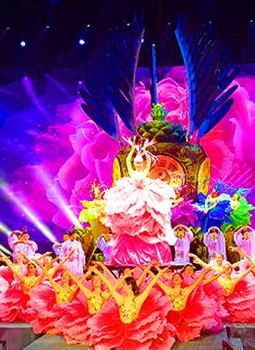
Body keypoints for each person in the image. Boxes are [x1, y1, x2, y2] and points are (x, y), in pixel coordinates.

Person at [103, 137, 177, 265]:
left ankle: (146, 234)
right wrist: (132, 151)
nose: (138, 165)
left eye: (140, 163)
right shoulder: (132, 170)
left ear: (142, 163)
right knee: (131, 214)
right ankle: (133, 239)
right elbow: (128, 160)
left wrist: (144, 152)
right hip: (132, 192)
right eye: (136, 163)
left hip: (145, 192)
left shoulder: (145, 169)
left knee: (149, 213)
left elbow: (149, 162)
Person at [87, 268, 174, 350]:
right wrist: (98, 273)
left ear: (129, 286)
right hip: (119, 330)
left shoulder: (138, 299)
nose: (122, 286)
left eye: (124, 284)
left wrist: (159, 272)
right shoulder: (120, 299)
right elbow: (110, 286)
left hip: (134, 332)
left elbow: (150, 285)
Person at [155, 269, 214, 342]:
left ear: (181, 280)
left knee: (186, 329)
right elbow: (156, 280)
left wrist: (204, 272)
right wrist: (149, 269)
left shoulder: (185, 290)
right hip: (172, 315)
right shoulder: (168, 290)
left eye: (178, 277)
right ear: (172, 280)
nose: (176, 278)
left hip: (184, 313)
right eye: (174, 277)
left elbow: (197, 282)